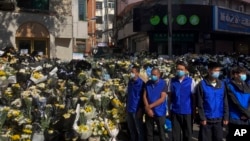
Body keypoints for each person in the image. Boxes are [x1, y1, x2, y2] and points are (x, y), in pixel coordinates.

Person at [196, 62, 229, 141]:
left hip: (219, 119)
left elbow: (225, 101)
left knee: (218, 138)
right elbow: (200, 103)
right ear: (209, 70)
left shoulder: (222, 84)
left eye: (219, 71)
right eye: (215, 70)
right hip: (207, 119)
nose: (217, 73)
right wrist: (202, 117)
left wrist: (226, 116)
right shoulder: (202, 84)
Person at [167, 61, 196, 141]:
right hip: (175, 112)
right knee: (175, 135)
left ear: (186, 70)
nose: (179, 71)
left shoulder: (191, 81)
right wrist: (169, 110)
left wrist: (194, 112)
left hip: (187, 112)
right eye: (178, 69)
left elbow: (193, 97)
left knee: (187, 135)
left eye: (181, 69)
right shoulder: (172, 81)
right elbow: (169, 97)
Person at [226, 66, 250, 141]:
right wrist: (247, 114)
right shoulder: (230, 86)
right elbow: (235, 102)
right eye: (242, 73)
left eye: (245, 73)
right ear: (235, 75)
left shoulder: (247, 85)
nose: (244, 75)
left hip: (247, 118)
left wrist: (248, 113)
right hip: (236, 117)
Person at [143, 68, 167, 141]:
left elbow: (162, 99)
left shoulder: (163, 83)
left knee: (161, 133)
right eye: (152, 74)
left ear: (159, 75)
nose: (153, 76)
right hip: (149, 111)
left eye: (155, 75)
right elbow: (144, 96)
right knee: (149, 133)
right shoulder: (148, 83)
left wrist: (149, 107)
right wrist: (148, 109)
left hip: (159, 111)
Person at [126, 65, 145, 141]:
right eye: (131, 72)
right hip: (129, 108)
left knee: (139, 129)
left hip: (136, 109)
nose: (131, 74)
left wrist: (141, 109)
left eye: (133, 72)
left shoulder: (141, 84)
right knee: (131, 129)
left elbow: (143, 97)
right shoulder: (130, 82)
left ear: (137, 73)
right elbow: (128, 95)